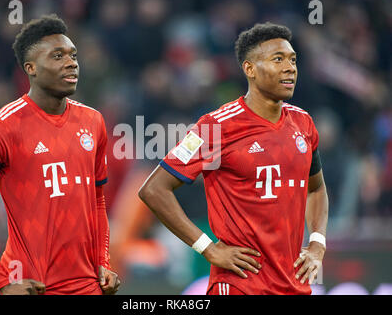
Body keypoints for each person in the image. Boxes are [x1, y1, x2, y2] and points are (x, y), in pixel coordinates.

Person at [138, 22, 329, 295]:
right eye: (278, 59)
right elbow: (154, 189)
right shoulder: (215, 127)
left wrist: (318, 243)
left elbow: (317, 188)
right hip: (240, 285)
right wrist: (208, 248)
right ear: (249, 69)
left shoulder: (303, 123)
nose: (290, 68)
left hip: (294, 285)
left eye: (293, 60)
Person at [0, 14, 120, 295]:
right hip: (32, 285)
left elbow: (97, 200)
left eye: (73, 55)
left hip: (87, 285)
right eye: (57, 56)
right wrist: (3, 283)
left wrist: (103, 261)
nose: (71, 62)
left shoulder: (93, 122)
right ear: (30, 68)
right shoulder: (2, 128)